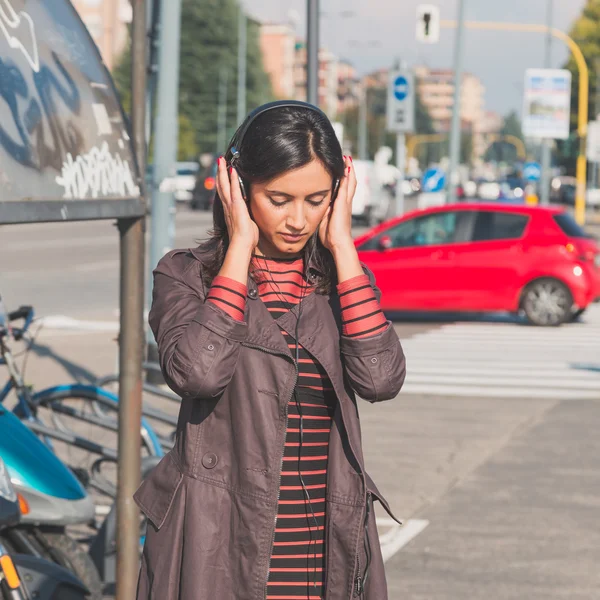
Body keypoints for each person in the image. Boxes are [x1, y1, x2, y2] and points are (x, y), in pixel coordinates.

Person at [134, 101, 406, 600]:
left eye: (317, 199)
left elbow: (381, 379)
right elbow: (197, 373)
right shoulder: (186, 276)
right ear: (238, 186)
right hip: (217, 539)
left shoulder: (343, 282)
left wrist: (344, 247)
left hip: (324, 538)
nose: (298, 220)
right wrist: (239, 248)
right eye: (278, 198)